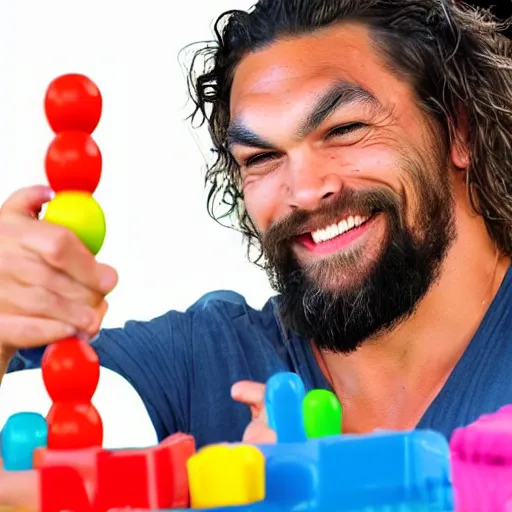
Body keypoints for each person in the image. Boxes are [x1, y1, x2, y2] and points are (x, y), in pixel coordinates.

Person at [0, 0, 511, 506]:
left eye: (346, 130)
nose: (305, 190)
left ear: (457, 129)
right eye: (263, 157)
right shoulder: (207, 363)